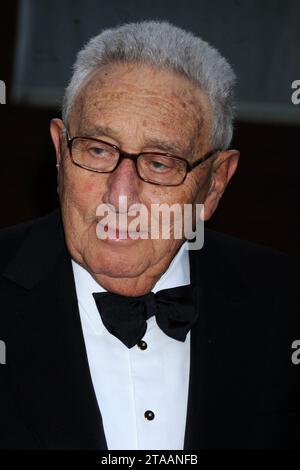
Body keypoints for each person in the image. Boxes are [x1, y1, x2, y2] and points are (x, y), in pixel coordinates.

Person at [0, 21, 299, 450]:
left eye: (160, 164)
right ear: (60, 154)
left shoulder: (288, 304)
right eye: (98, 150)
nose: (120, 197)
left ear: (215, 183)